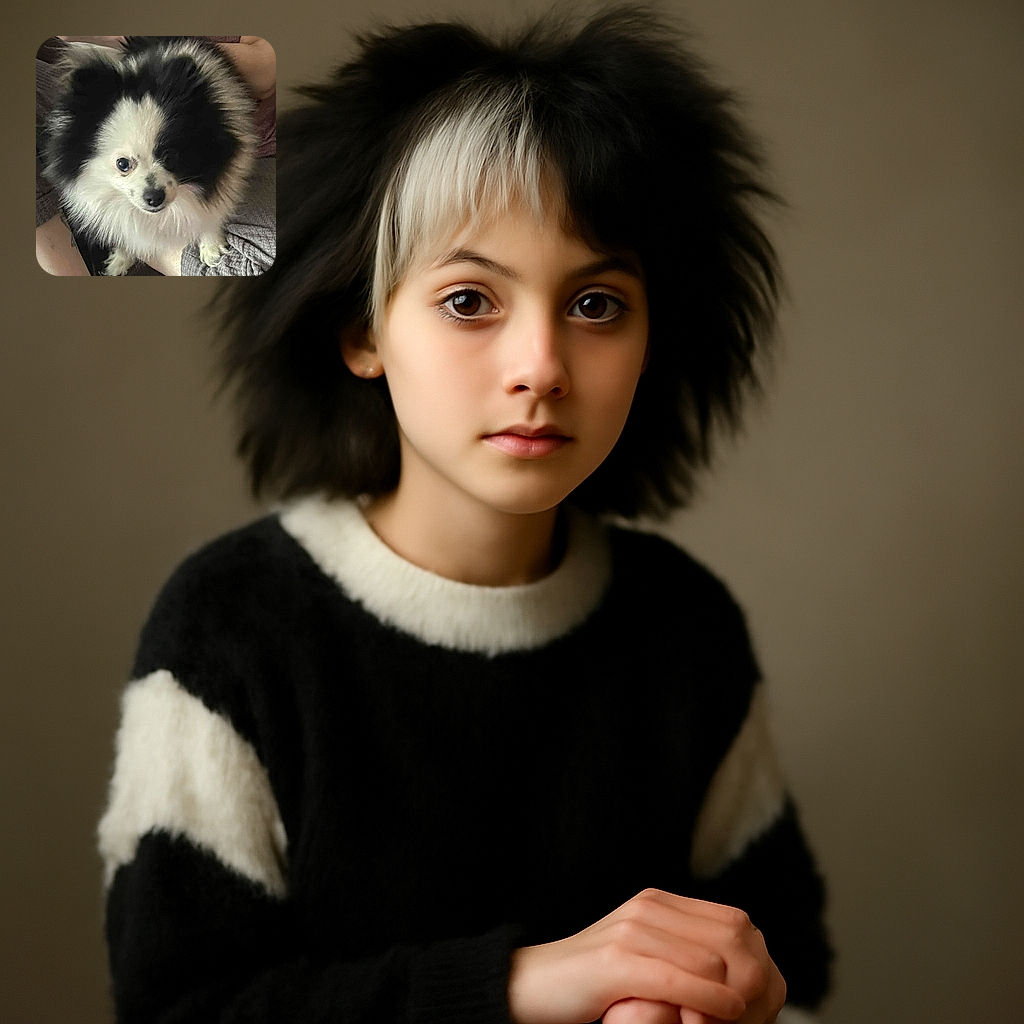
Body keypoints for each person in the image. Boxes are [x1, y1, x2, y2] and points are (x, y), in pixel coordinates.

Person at [97, 7, 831, 1023]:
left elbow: (792, 974)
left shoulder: (686, 631)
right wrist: (523, 985)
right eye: (470, 300)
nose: (540, 367)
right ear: (362, 329)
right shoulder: (230, 631)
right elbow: (180, 1009)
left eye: (596, 304)